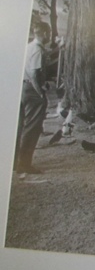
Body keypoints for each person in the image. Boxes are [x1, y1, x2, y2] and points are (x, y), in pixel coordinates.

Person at [14, 22, 51, 174]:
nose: (49, 36)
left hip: (23, 87)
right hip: (32, 90)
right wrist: (40, 92)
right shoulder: (37, 50)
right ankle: (24, 163)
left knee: (20, 126)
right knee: (32, 127)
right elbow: (34, 74)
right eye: (49, 33)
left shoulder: (29, 46)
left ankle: (15, 161)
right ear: (45, 33)